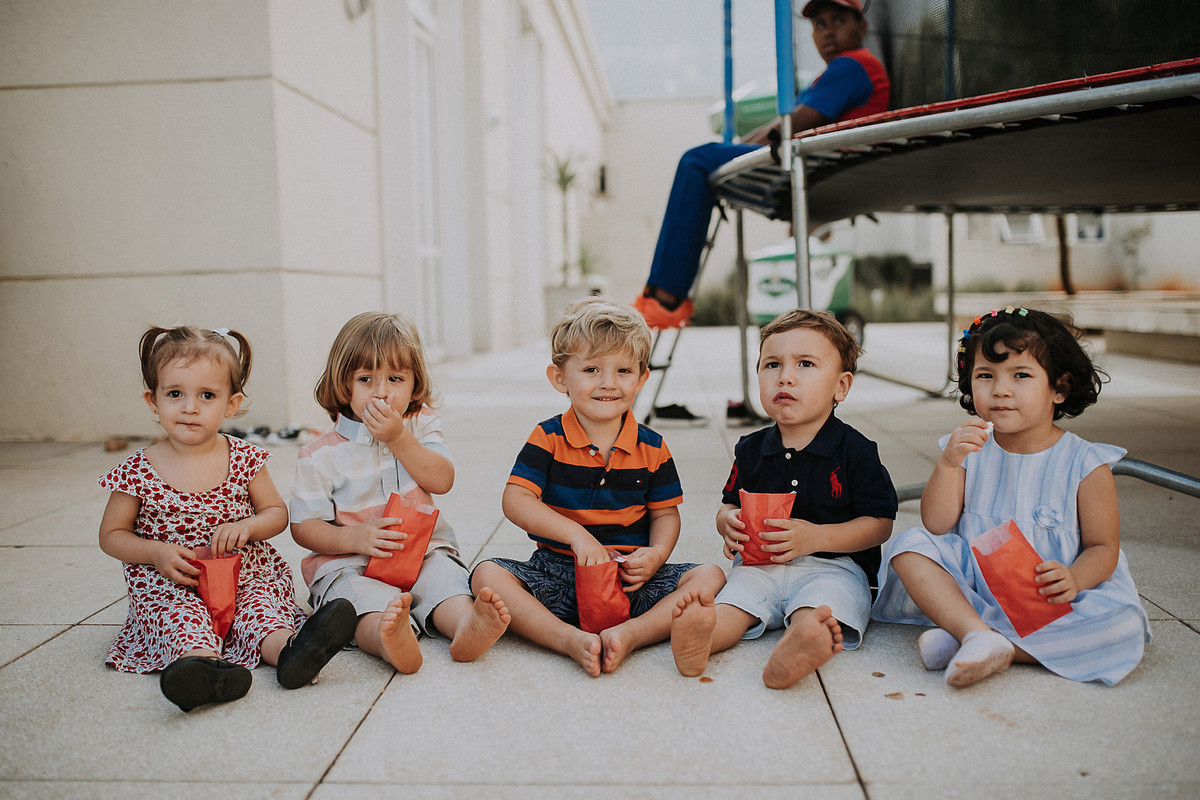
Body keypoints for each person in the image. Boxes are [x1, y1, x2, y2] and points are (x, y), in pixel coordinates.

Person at [871, 307, 1151, 687]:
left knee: (1123, 625)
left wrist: (1074, 578)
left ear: (1059, 388)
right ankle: (973, 630)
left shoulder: (1085, 464)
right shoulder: (969, 450)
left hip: (1052, 596)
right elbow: (936, 524)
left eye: (1021, 375)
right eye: (985, 375)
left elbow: (1103, 547)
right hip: (977, 586)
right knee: (909, 546)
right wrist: (949, 464)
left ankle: (980, 640)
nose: (1000, 389)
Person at [98, 326, 357, 712]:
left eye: (207, 395)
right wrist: (154, 552)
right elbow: (111, 535)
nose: (190, 408)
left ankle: (291, 653)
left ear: (231, 404)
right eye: (175, 394)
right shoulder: (137, 470)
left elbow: (276, 514)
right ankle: (202, 668)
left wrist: (246, 526)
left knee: (260, 614)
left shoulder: (244, 458)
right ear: (153, 401)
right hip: (173, 586)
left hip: (243, 578)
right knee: (180, 621)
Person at [470, 298, 726, 677]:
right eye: (591, 370)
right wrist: (577, 537)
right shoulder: (548, 437)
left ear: (641, 379)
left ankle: (632, 634)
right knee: (485, 575)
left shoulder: (653, 446)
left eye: (623, 370)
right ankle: (566, 638)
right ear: (560, 378)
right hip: (560, 574)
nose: (608, 383)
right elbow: (516, 499)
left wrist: (656, 556)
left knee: (711, 576)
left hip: (631, 579)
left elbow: (665, 515)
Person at [669, 309, 897, 687]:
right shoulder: (751, 449)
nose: (785, 376)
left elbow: (880, 524)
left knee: (822, 606)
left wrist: (817, 537)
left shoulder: (855, 451)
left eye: (805, 364)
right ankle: (702, 635)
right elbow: (729, 503)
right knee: (735, 602)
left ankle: (802, 642)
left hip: (833, 566)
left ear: (841, 386)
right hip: (759, 565)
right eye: (772, 365)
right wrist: (727, 522)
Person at [633, 0, 889, 330]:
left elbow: (790, 125)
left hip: (827, 168)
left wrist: (740, 154)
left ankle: (665, 296)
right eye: (820, 24)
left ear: (862, 26)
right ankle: (665, 292)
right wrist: (741, 151)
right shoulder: (841, 72)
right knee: (707, 161)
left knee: (696, 161)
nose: (828, 32)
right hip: (823, 163)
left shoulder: (853, 66)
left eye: (838, 20)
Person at [290, 312, 510, 677]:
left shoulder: (420, 425)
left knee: (443, 579)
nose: (381, 392)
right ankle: (387, 638)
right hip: (351, 562)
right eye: (366, 379)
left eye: (395, 379)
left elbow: (442, 479)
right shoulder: (319, 454)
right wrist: (352, 538)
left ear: (414, 384)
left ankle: (465, 625)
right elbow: (303, 527)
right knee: (358, 601)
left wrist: (399, 439)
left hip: (420, 551)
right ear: (344, 385)